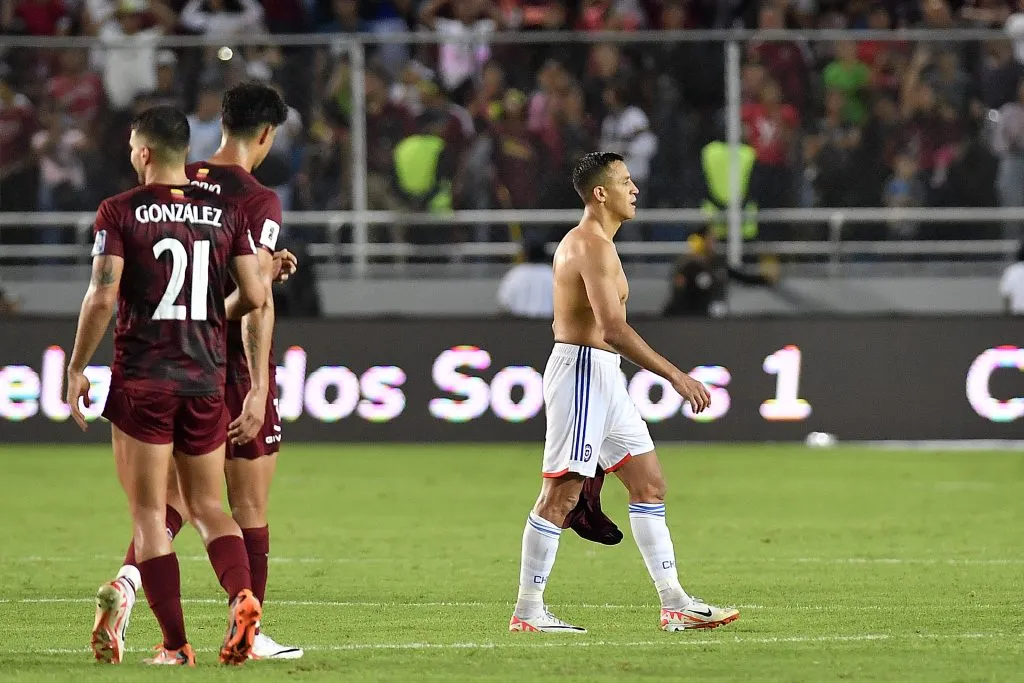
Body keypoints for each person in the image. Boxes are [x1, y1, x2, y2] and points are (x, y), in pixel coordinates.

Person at [93, 82, 303, 661]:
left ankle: (129, 587)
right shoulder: (254, 201)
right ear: (266, 134)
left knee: (169, 505)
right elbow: (252, 299)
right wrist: (259, 387)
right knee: (239, 507)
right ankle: (250, 628)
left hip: (157, 363)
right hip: (221, 370)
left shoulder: (186, 183)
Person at [509, 151, 739, 634]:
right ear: (600, 193)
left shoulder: (600, 245)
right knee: (562, 494)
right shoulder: (589, 246)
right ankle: (528, 610)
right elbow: (612, 328)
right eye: (625, 181)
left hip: (604, 375)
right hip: (582, 372)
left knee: (649, 483)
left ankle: (674, 602)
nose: (634, 189)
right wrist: (677, 376)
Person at [662, 227, 778, 318]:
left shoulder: (719, 263)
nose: (713, 242)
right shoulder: (687, 266)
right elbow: (678, 297)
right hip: (694, 320)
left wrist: (765, 279)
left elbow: (740, 276)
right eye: (710, 238)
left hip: (718, 318)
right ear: (699, 241)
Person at [497, 241, 554, 319]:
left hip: (519, 325)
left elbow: (504, 302)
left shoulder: (515, 274)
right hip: (547, 324)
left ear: (525, 254)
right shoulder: (551, 274)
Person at [999, 242, 1024, 315]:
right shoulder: (1011, 270)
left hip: (1016, 315)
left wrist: (1006, 315)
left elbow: (1005, 295)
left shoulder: (1011, 270)